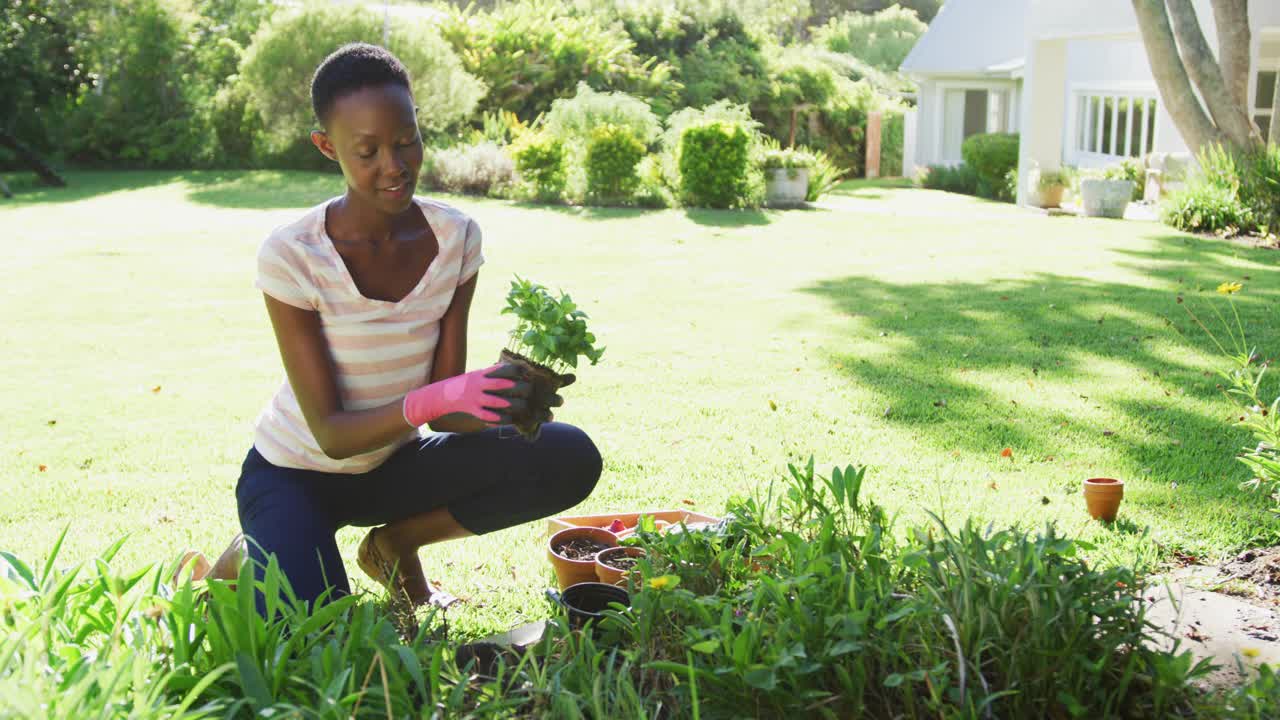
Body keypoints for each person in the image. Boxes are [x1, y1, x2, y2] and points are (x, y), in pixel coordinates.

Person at [231, 42, 602, 611]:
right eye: (368, 151)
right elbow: (330, 434)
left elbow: (447, 410)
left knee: (570, 455)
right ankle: (253, 548)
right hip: (294, 473)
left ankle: (394, 544)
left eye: (406, 141)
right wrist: (434, 401)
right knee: (322, 643)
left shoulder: (456, 238)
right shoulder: (293, 253)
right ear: (328, 147)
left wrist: (497, 396)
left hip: (393, 468)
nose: (394, 165)